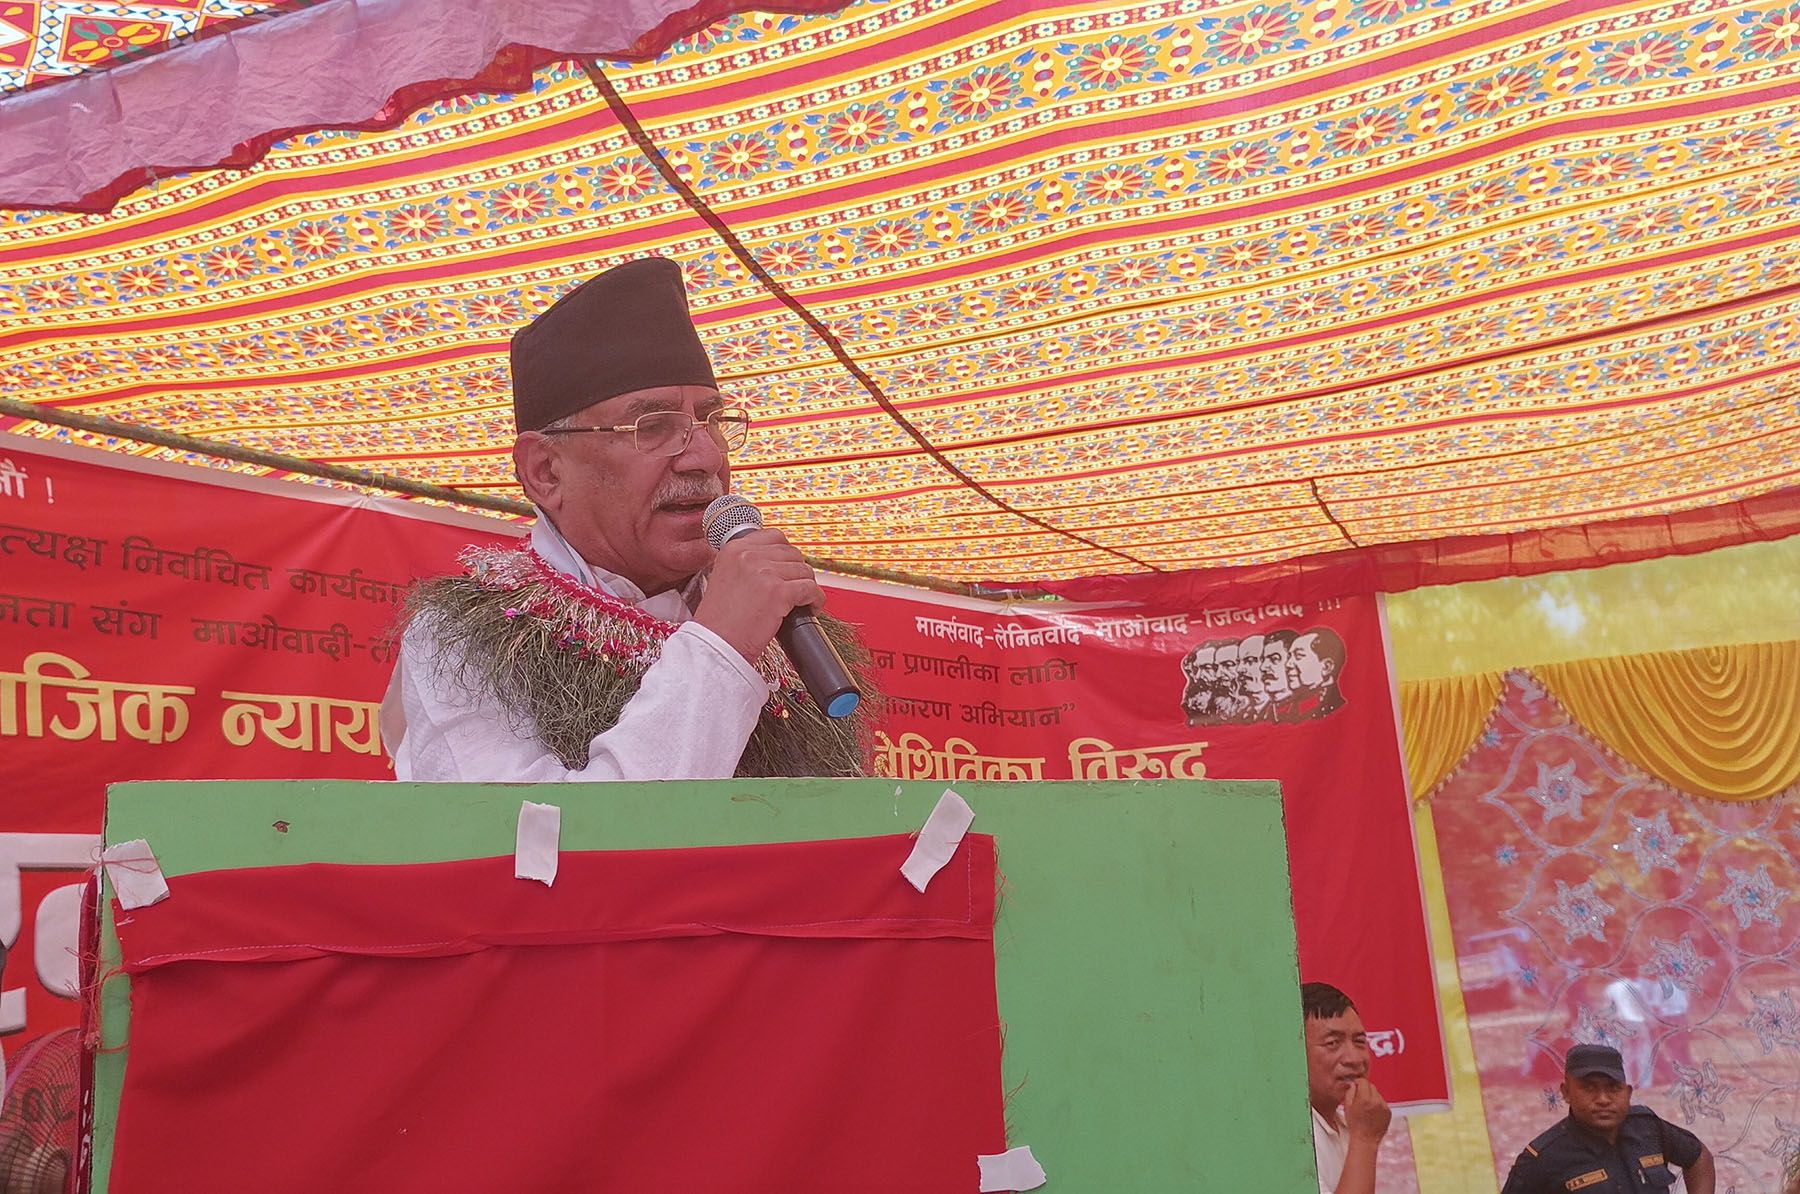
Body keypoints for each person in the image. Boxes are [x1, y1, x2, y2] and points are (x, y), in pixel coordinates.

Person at [382, 257, 873, 782]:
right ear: (546, 471)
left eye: (714, 421)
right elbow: (544, 833)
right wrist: (722, 645)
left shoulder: (794, 633)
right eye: (653, 426)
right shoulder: (464, 637)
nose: (706, 457)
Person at [1500, 1044, 1714, 1194]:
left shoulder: (1648, 1128)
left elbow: (1698, 1156)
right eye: (1589, 1088)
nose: (1603, 1099)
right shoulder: (1543, 1158)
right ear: (1566, 1093)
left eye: (1613, 1088)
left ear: (1628, 1093)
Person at [1302, 981, 1391, 1194]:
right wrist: (1365, 1139)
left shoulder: (1347, 1124)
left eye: (1359, 1042)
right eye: (1332, 1043)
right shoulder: (1290, 1133)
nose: (1354, 1059)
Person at [1284, 627, 1347, 721]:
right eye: (1289, 656)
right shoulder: (1288, 710)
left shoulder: (1337, 710)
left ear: (1326, 667)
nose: (1288, 664)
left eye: (1299, 656)